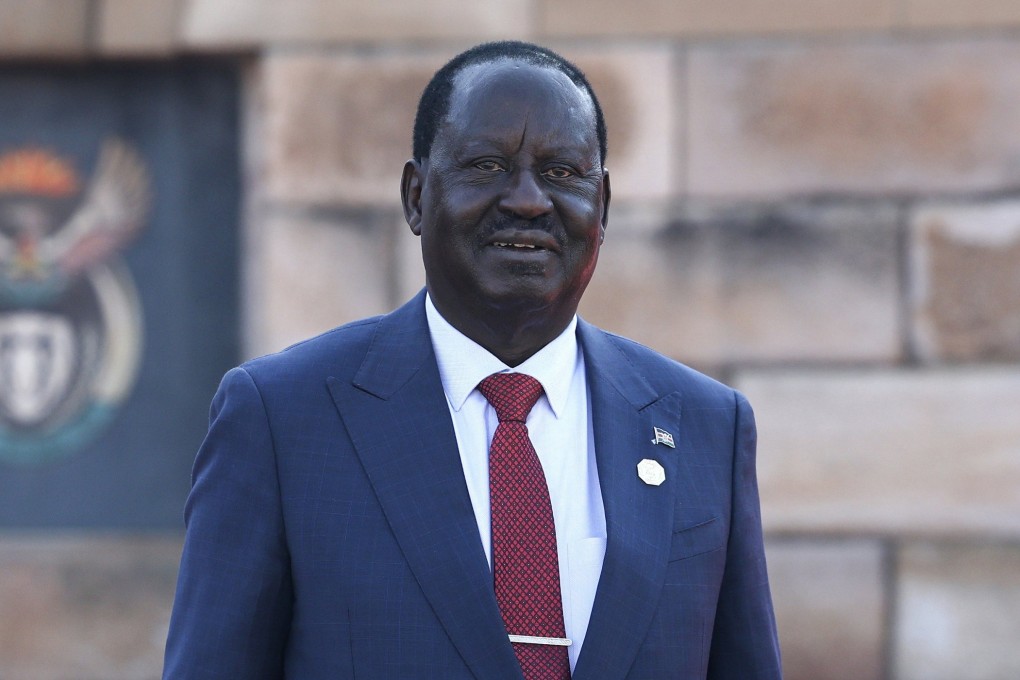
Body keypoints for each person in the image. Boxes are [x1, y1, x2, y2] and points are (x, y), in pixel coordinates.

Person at [163, 41, 782, 679]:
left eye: (562, 173)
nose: (528, 201)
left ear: (603, 208)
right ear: (414, 196)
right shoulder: (283, 418)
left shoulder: (706, 425)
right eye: (486, 165)